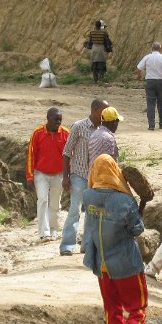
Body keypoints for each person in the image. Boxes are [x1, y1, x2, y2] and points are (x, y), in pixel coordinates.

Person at [82, 154, 147, 324]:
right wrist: (142, 203)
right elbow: (137, 228)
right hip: (126, 264)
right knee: (138, 308)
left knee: (112, 310)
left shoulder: (88, 196)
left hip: (101, 264)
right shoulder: (124, 200)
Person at [59, 99, 109, 256]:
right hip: (79, 175)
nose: (106, 114)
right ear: (94, 110)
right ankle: (67, 245)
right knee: (75, 209)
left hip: (95, 177)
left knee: (91, 212)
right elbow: (67, 152)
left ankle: (86, 246)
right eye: (104, 110)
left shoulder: (104, 129)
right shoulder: (79, 126)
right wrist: (65, 177)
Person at [26, 108, 69, 242]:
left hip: (59, 174)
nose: (58, 122)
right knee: (43, 200)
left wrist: (68, 176)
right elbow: (31, 155)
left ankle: (54, 230)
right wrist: (29, 176)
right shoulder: (37, 133)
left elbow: (70, 157)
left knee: (55, 204)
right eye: (56, 120)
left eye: (60, 120)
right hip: (41, 174)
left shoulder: (66, 133)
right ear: (48, 118)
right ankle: (44, 233)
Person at [136, 41, 162, 130]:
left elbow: (139, 68)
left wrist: (139, 76)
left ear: (152, 48)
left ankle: (151, 125)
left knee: (150, 103)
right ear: (160, 48)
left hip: (150, 81)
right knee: (161, 103)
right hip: (161, 82)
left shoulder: (147, 57)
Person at [83, 20, 111, 84]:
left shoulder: (92, 32)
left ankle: (95, 80)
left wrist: (88, 46)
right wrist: (109, 48)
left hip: (94, 48)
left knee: (94, 63)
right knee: (101, 63)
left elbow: (90, 42)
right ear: (101, 26)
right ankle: (100, 79)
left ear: (95, 26)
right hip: (101, 49)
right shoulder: (104, 33)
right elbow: (107, 42)